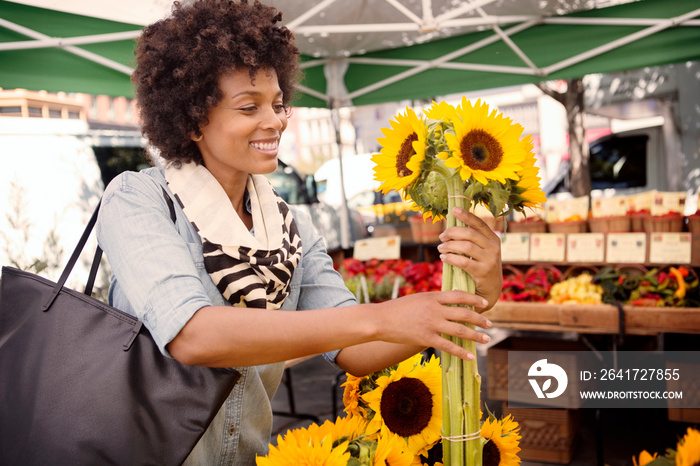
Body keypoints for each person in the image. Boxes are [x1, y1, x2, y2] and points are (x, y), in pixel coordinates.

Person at [96, 0, 503, 463]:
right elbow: (193, 335)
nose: (275, 121)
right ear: (192, 120)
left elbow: (352, 350)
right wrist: (383, 316)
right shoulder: (138, 199)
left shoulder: (290, 225)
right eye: (249, 107)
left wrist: (474, 295)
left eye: (278, 103)